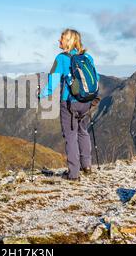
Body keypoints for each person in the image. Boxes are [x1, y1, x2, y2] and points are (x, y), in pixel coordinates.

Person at [39, 29, 100, 180]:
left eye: (61, 38)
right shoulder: (87, 56)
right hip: (86, 101)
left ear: (68, 41)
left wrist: (41, 94)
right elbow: (96, 77)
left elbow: (52, 83)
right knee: (83, 131)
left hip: (69, 103)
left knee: (70, 136)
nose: (58, 41)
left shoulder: (61, 58)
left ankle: (73, 174)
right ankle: (86, 165)